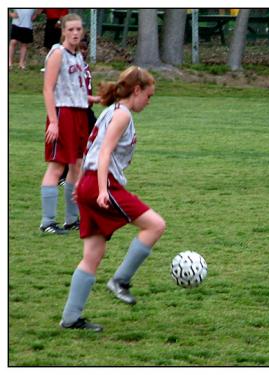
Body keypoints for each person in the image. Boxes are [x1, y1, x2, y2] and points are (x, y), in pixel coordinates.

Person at [60, 66, 166, 331]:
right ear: (137, 90)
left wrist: (82, 183)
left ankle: (71, 318)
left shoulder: (110, 112)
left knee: (93, 255)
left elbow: (91, 148)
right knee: (155, 225)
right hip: (101, 183)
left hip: (89, 183)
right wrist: (102, 189)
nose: (149, 102)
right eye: (149, 96)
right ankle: (120, 281)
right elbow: (104, 152)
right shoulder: (123, 115)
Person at [40, 14, 88, 234]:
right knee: (57, 165)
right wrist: (53, 122)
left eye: (78, 29)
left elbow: (76, 89)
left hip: (79, 114)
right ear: (63, 31)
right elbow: (48, 89)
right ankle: (47, 221)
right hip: (63, 114)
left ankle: (71, 219)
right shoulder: (58, 53)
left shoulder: (78, 55)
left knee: (77, 166)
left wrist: (98, 99)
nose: (75, 33)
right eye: (71, 29)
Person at [58, 34, 100, 187]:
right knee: (73, 145)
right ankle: (63, 175)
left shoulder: (85, 66)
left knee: (97, 138)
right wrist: (96, 98)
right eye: (79, 48)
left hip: (87, 111)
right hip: (76, 111)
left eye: (85, 49)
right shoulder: (70, 67)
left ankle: (89, 172)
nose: (82, 51)